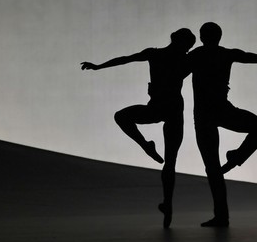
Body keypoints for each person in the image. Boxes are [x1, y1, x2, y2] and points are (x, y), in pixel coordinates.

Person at [188, 22, 257, 227]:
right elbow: (256, 58)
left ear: (203, 37)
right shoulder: (212, 55)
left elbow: (256, 58)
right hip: (212, 114)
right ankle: (222, 213)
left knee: (216, 166)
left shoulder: (201, 55)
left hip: (215, 113)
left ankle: (233, 163)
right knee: (215, 167)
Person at [81, 28, 196, 228]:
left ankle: (167, 203)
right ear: (180, 42)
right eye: (187, 46)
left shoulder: (165, 56)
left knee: (169, 162)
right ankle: (146, 147)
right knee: (168, 161)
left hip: (166, 110)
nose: (186, 50)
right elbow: (126, 59)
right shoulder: (179, 58)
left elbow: (126, 59)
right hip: (168, 110)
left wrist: (99, 66)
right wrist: (98, 66)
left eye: (188, 48)